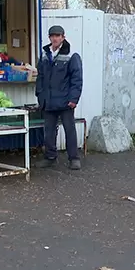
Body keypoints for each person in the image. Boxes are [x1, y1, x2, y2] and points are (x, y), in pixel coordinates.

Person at [35, 25, 83, 170]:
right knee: (49, 131)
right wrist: (40, 95)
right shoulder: (44, 54)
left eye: (58, 36)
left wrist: (74, 99)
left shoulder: (72, 55)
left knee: (69, 130)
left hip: (65, 101)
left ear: (63, 37)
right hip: (48, 100)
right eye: (52, 36)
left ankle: (74, 158)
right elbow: (40, 76)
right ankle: (50, 157)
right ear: (49, 38)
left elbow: (77, 79)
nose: (55, 38)